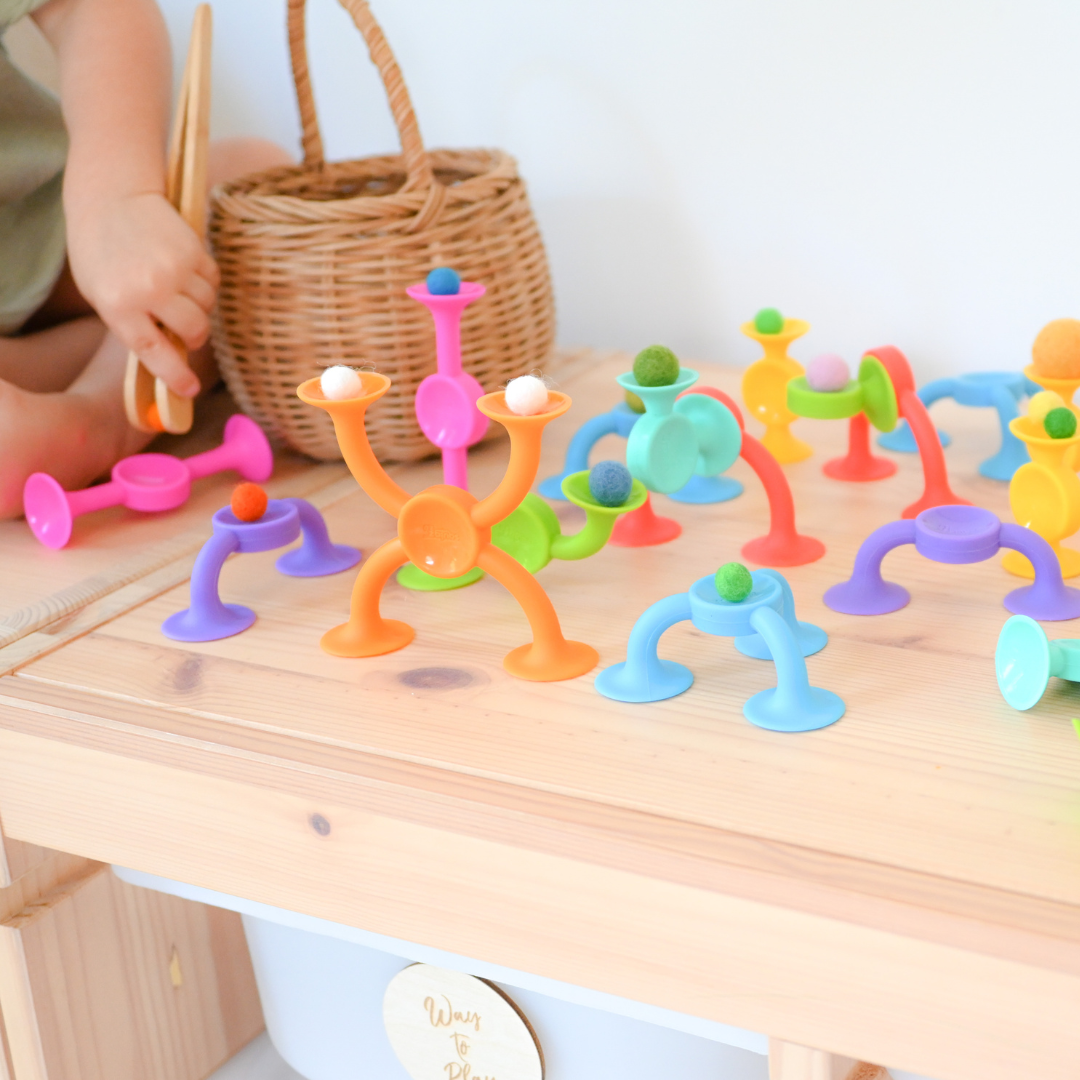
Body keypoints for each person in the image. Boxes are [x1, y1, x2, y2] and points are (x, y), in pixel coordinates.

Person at [0, 0, 292, 517]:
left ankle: (101, 417)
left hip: (50, 229)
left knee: (255, 179)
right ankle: (96, 395)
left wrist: (114, 197)